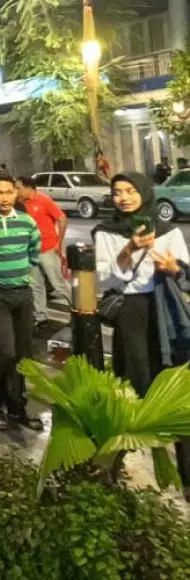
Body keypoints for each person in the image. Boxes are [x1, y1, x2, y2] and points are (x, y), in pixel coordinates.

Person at [93, 172, 190, 499]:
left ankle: (188, 477)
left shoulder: (169, 230)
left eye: (130, 190)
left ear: (144, 192)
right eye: (117, 191)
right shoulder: (107, 231)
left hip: (167, 312)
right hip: (132, 313)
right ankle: (111, 463)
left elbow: (184, 270)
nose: (123, 197)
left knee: (178, 391)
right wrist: (130, 248)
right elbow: (107, 277)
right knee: (132, 388)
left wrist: (173, 267)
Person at [0, 171, 44, 432]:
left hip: (22, 294)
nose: (4, 197)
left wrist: (24, 270)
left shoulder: (27, 221)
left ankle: (17, 407)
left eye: (9, 192)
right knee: (4, 350)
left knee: (22, 355)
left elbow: (34, 251)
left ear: (16, 193)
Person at [16, 176, 71, 325]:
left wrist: (59, 243)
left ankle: (77, 312)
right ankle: (41, 316)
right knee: (35, 285)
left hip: (48, 249)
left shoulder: (44, 200)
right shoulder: (19, 205)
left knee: (59, 284)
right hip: (31, 251)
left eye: (18, 188)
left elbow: (62, 219)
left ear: (28, 188)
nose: (16, 191)